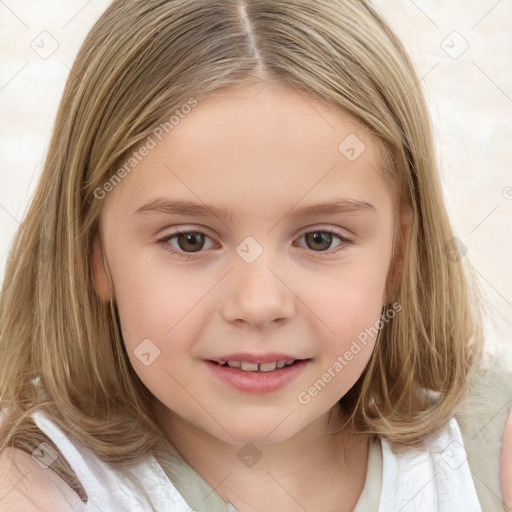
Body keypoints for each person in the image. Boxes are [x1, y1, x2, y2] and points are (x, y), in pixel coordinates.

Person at [0, 0, 511, 510]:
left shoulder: (490, 451)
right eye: (190, 240)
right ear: (95, 256)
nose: (259, 302)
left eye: (320, 239)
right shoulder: (36, 487)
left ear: (399, 257)